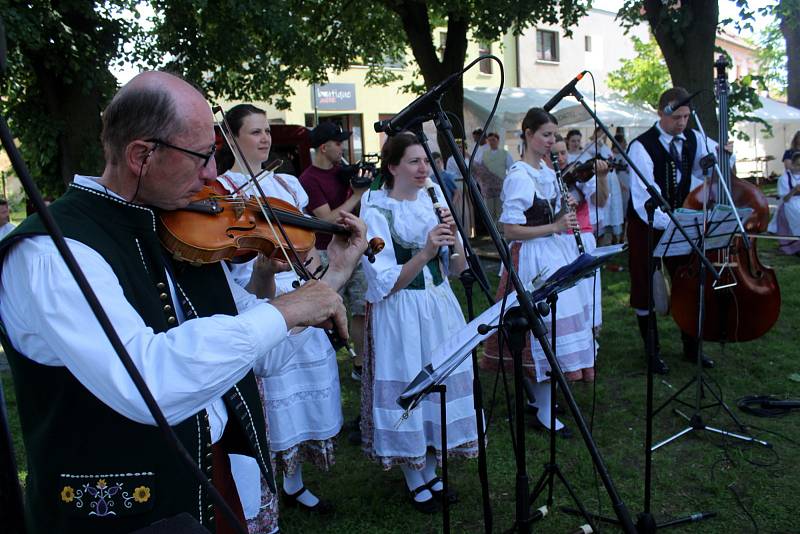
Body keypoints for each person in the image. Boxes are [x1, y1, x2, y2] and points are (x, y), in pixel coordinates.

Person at [0, 71, 367, 534]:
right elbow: (148, 381)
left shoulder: (176, 226)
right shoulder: (54, 252)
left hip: (211, 482)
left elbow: (261, 350)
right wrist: (287, 309)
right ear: (140, 155)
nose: (213, 174)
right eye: (201, 157)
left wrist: (332, 277)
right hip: (121, 515)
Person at [216, 104, 343, 529]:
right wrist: (263, 269)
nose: (265, 139)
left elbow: (306, 243)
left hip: (300, 292)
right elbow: (234, 273)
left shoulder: (286, 184)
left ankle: (295, 480)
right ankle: (265, 486)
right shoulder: (222, 190)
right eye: (254, 132)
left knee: (303, 395)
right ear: (231, 138)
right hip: (260, 301)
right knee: (274, 401)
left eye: (267, 131)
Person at [359, 133, 477, 514]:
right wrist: (426, 250)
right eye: (413, 161)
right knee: (410, 382)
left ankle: (429, 468)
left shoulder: (434, 199)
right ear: (392, 167)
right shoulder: (376, 210)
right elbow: (385, 283)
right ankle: (414, 474)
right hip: (402, 312)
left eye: (426, 160)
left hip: (438, 305)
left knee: (437, 384)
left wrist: (455, 242)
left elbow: (457, 270)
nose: (424, 167)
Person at [482, 108, 596, 435]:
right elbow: (509, 229)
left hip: (551, 253)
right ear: (528, 134)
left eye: (553, 136)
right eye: (545, 135)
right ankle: (543, 409)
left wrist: (562, 215)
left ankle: (542, 402)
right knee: (543, 334)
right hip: (531, 258)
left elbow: (547, 216)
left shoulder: (546, 172)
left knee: (558, 331)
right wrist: (555, 225)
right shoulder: (520, 176)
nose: (550, 141)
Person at [627, 86, 716, 375]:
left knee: (687, 281)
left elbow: (707, 167)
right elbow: (644, 198)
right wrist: (676, 222)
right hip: (648, 224)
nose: (681, 122)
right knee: (646, 285)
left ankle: (691, 348)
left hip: (684, 222)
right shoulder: (641, 146)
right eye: (676, 116)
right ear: (661, 112)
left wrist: (723, 156)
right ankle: (652, 352)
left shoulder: (693, 137)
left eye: (686, 117)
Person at [299, 121, 369, 381]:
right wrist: (357, 194)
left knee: (361, 307)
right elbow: (324, 219)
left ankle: (360, 363)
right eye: (338, 143)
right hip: (326, 251)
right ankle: (324, 363)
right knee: (326, 312)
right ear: (323, 146)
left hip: (353, 246)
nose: (342, 147)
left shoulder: (342, 170)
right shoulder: (308, 178)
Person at [551, 134, 608, 331]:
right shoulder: (545, 178)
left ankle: (591, 331)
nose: (561, 158)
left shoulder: (579, 175)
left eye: (563, 153)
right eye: (555, 154)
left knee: (587, 289)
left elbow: (600, 201)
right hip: (556, 240)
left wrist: (602, 177)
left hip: (582, 237)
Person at [472, 131, 514, 222]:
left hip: (501, 187)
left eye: (494, 140)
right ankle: (492, 233)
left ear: (498, 141)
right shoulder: (483, 154)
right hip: (488, 188)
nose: (492, 142)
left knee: (500, 210)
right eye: (490, 140)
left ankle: (501, 232)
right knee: (489, 211)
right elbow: (477, 167)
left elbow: (511, 168)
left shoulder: (505, 153)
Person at [768, 152, 800, 255]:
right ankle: (795, 246)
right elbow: (785, 199)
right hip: (790, 203)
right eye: (798, 164)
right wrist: (794, 190)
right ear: (793, 164)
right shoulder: (784, 178)